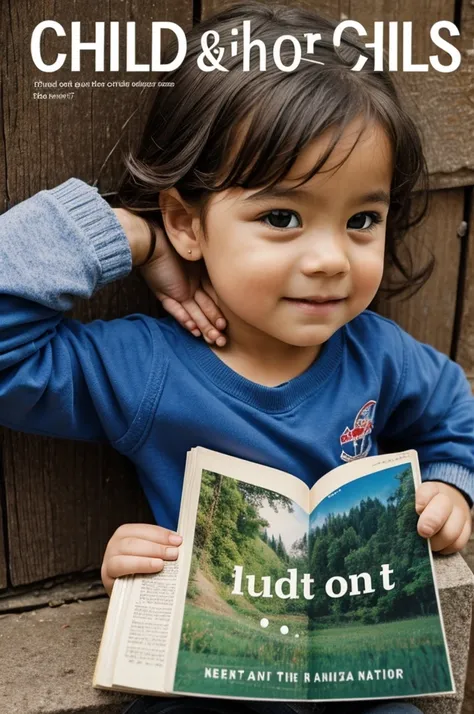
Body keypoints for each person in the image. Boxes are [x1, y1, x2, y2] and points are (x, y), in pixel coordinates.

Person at [0, 3, 472, 713]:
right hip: (203, 685)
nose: (329, 259)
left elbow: (455, 411)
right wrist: (128, 234)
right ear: (190, 220)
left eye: (361, 221)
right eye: (282, 217)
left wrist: (451, 486)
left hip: (362, 690)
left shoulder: (377, 353)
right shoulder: (147, 366)